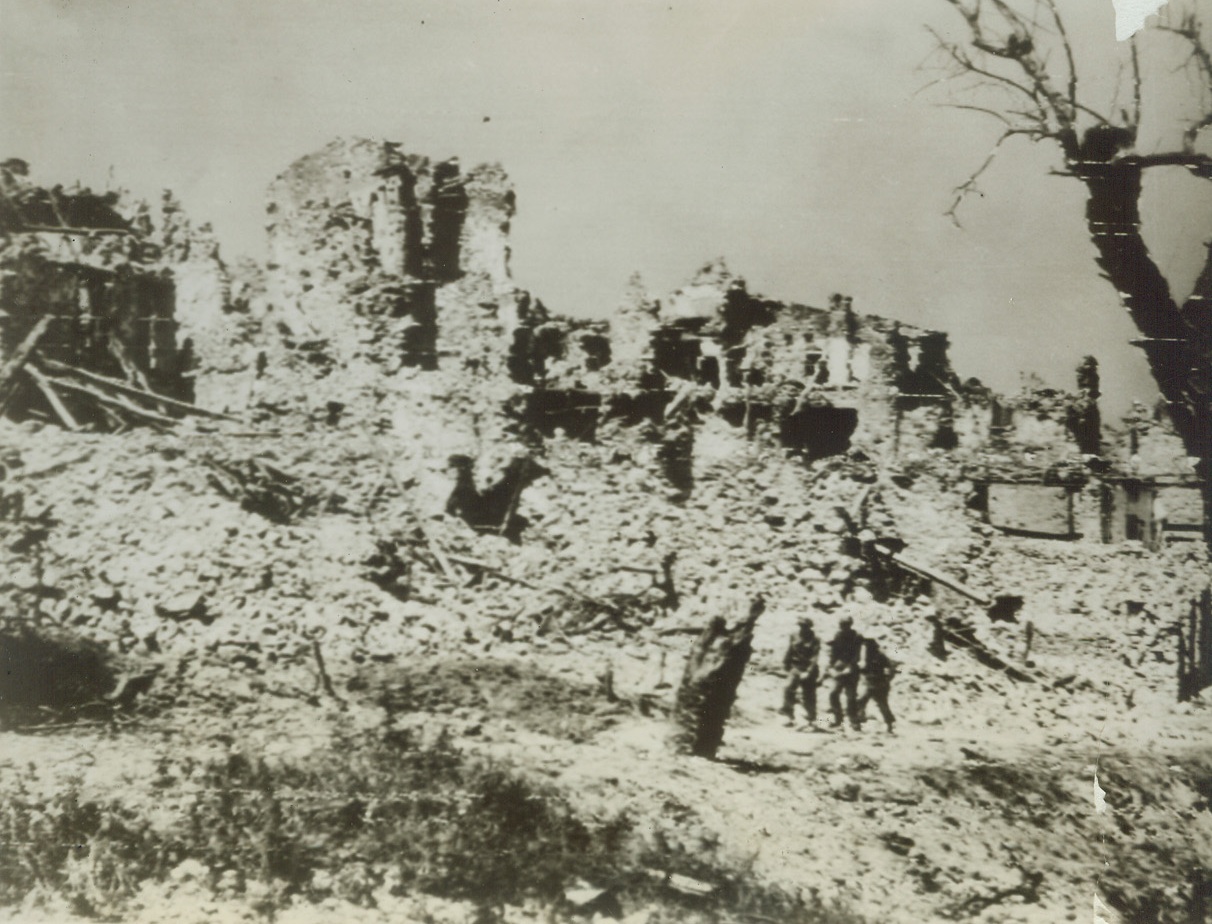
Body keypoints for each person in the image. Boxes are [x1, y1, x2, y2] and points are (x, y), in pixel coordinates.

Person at [780, 618, 820, 726]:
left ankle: (811, 719)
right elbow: (790, 650)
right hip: (796, 667)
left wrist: (808, 671)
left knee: (809, 694)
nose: (802, 629)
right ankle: (788, 716)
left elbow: (814, 657)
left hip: (809, 670)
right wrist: (785, 664)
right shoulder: (794, 635)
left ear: (809, 627)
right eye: (801, 626)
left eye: (805, 627)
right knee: (788, 688)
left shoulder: (815, 639)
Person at [826, 616, 863, 729]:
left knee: (851, 697)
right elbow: (834, 653)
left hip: (852, 670)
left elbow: (857, 655)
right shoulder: (838, 635)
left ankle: (854, 721)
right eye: (842, 625)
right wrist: (831, 666)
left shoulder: (857, 636)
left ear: (849, 625)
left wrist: (850, 667)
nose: (843, 628)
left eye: (845, 625)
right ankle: (838, 719)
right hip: (840, 668)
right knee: (833, 693)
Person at [856, 637, 897, 734]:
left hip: (879, 684)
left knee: (881, 705)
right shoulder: (867, 656)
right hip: (871, 683)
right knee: (862, 702)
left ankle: (889, 724)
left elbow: (891, 669)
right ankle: (859, 723)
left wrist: (887, 680)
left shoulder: (879, 656)